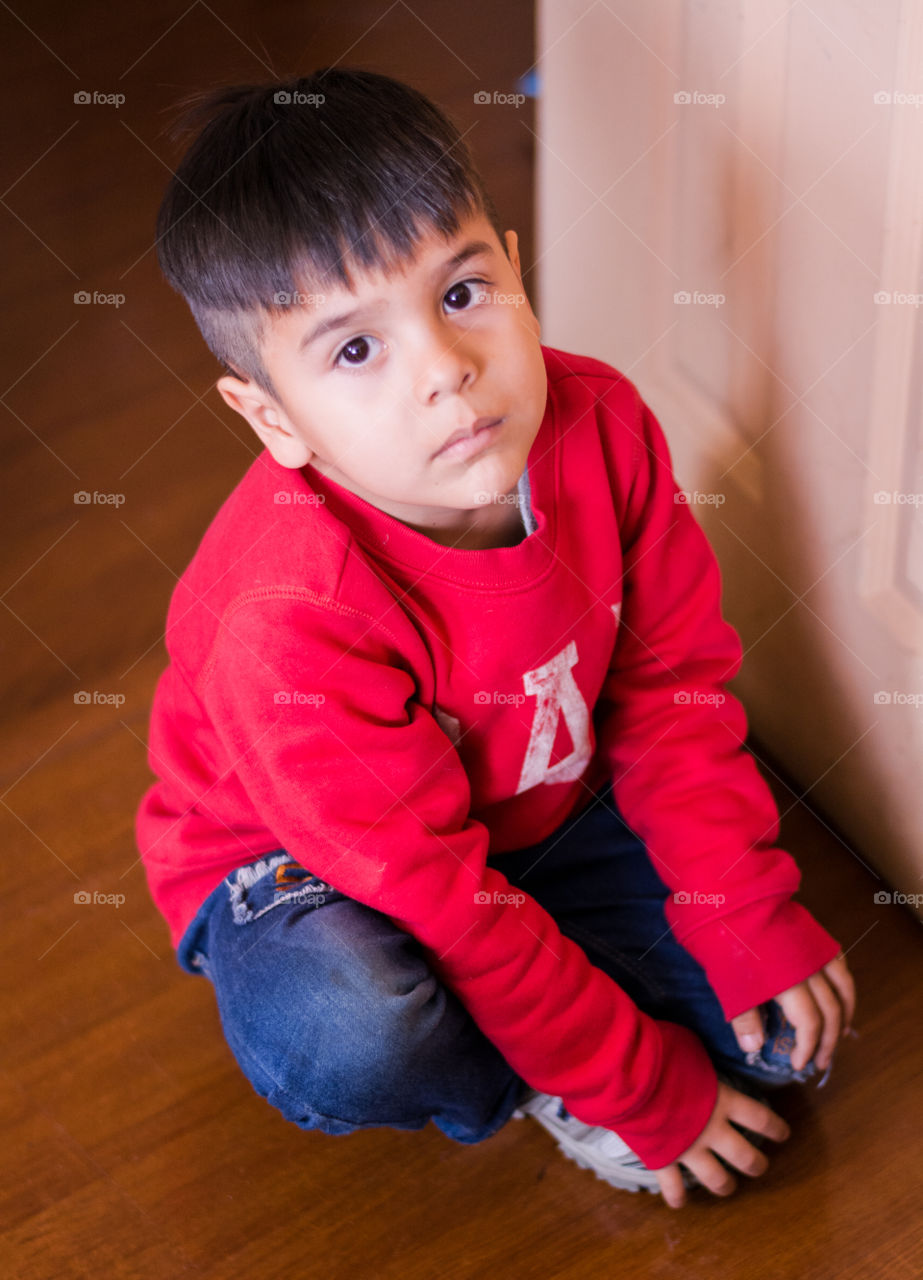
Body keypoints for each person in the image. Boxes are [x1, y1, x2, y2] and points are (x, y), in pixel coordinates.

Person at [136, 67, 856, 1210]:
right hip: (322, 875)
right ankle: (533, 1077)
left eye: (462, 291)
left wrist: (739, 908)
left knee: (778, 1046)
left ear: (516, 269)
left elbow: (669, 689)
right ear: (272, 416)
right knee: (348, 1024)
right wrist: (631, 1085)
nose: (445, 369)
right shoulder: (284, 619)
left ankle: (562, 989)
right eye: (355, 351)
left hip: (536, 807)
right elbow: (442, 894)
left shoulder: (603, 424)